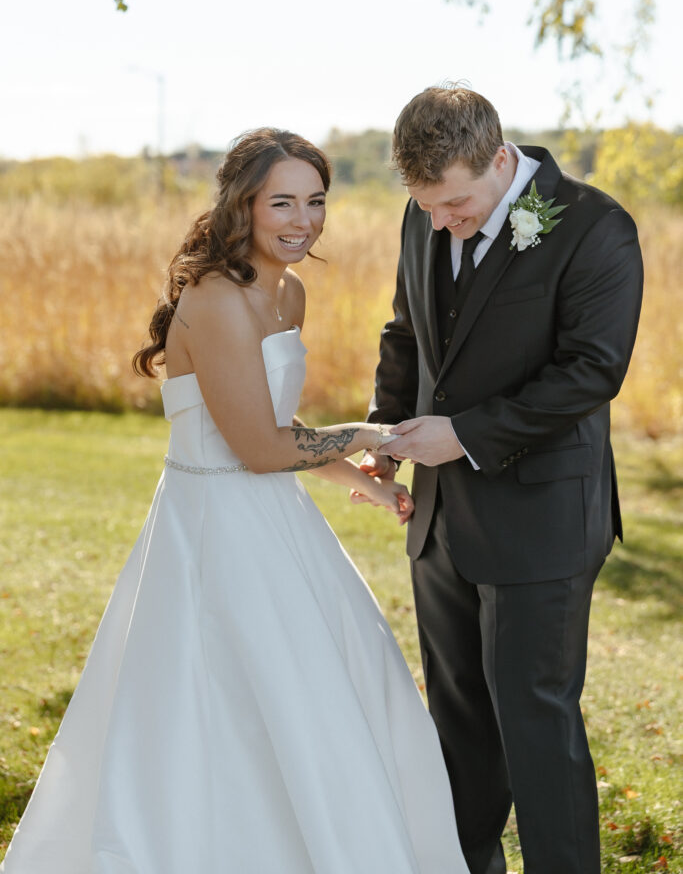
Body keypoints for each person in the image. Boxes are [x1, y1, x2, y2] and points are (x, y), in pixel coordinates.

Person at [0, 128, 468, 873]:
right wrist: (369, 433)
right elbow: (253, 450)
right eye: (281, 201)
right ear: (241, 205)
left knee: (320, 701)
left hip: (278, 525)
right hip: (211, 532)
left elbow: (273, 428)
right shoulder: (215, 300)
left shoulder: (289, 290)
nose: (303, 220)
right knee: (222, 710)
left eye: (315, 201)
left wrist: (359, 481)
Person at [356, 84, 644, 874]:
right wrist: (386, 432)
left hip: (542, 520)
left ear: (499, 158)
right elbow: (406, 330)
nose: (442, 220)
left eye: (455, 204)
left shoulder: (594, 226)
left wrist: (465, 436)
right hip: (441, 522)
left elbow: (591, 371)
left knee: (534, 721)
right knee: (457, 725)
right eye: (428, 206)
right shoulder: (425, 213)